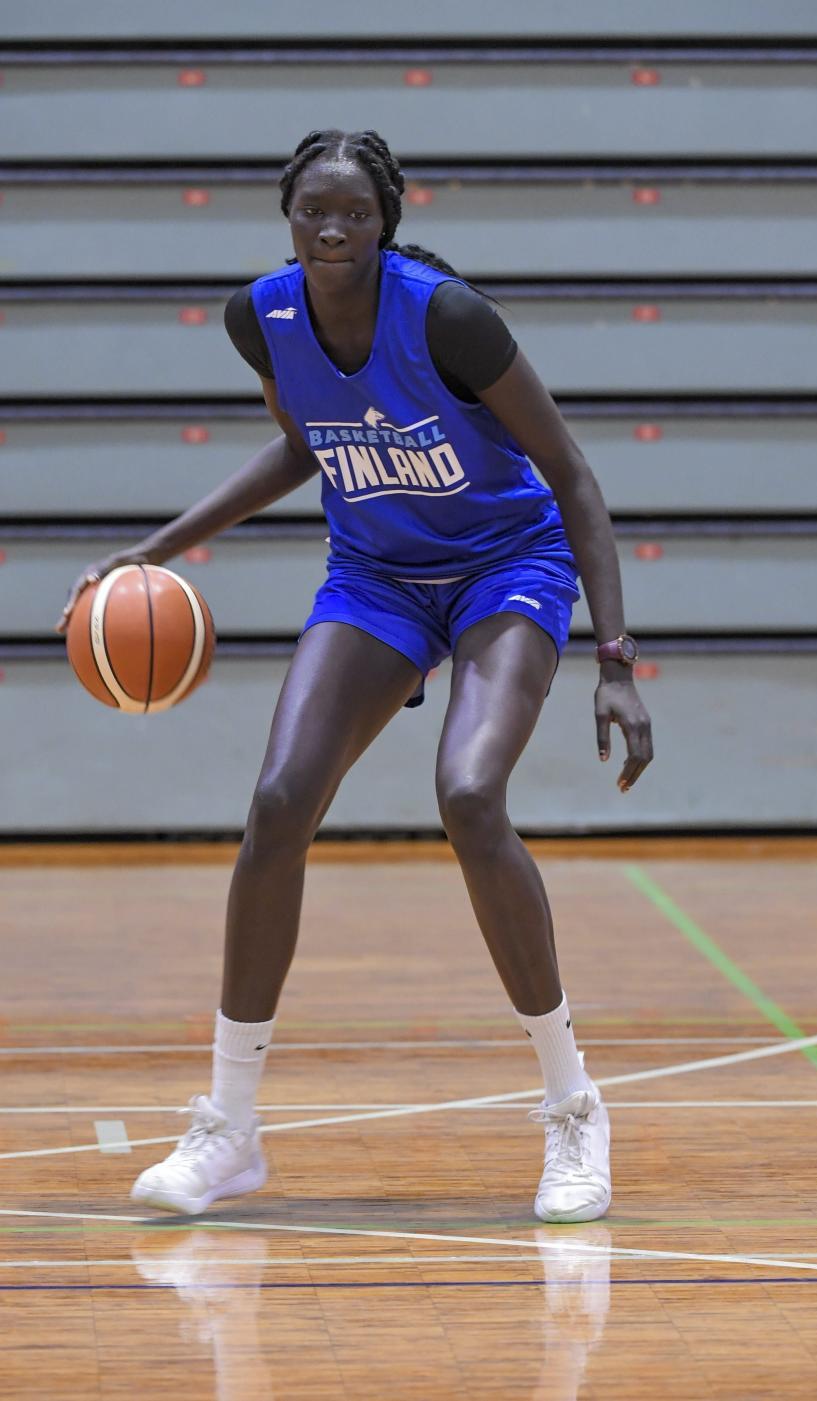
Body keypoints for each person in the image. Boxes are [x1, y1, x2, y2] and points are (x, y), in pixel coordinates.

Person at [57, 128, 653, 1223]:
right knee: (280, 803)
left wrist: (615, 657)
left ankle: (574, 1108)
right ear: (287, 217)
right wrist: (153, 551)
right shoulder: (264, 317)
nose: (332, 230)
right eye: (311, 213)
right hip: (376, 575)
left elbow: (571, 473)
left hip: (504, 569)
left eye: (354, 214)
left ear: (386, 221)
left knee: (470, 796)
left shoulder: (448, 317)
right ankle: (229, 1129)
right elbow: (305, 450)